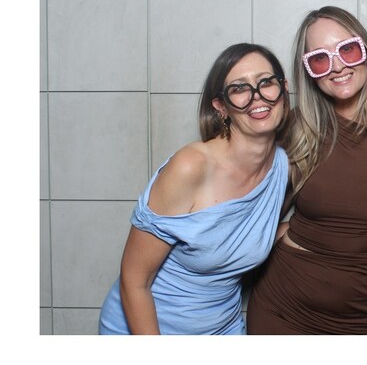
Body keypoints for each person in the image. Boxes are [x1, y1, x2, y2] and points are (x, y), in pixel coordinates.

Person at [98, 42, 290, 333]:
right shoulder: (190, 167)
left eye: (266, 82)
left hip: (223, 327)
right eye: (239, 88)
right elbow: (134, 281)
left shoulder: (282, 166)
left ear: (283, 90)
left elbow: (240, 233)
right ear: (221, 107)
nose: (257, 96)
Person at [246, 6, 367, 334]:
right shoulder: (297, 127)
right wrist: (285, 233)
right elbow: (249, 204)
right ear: (308, 71)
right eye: (320, 58)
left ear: (365, 51)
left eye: (348, 50)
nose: (337, 66)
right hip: (284, 309)